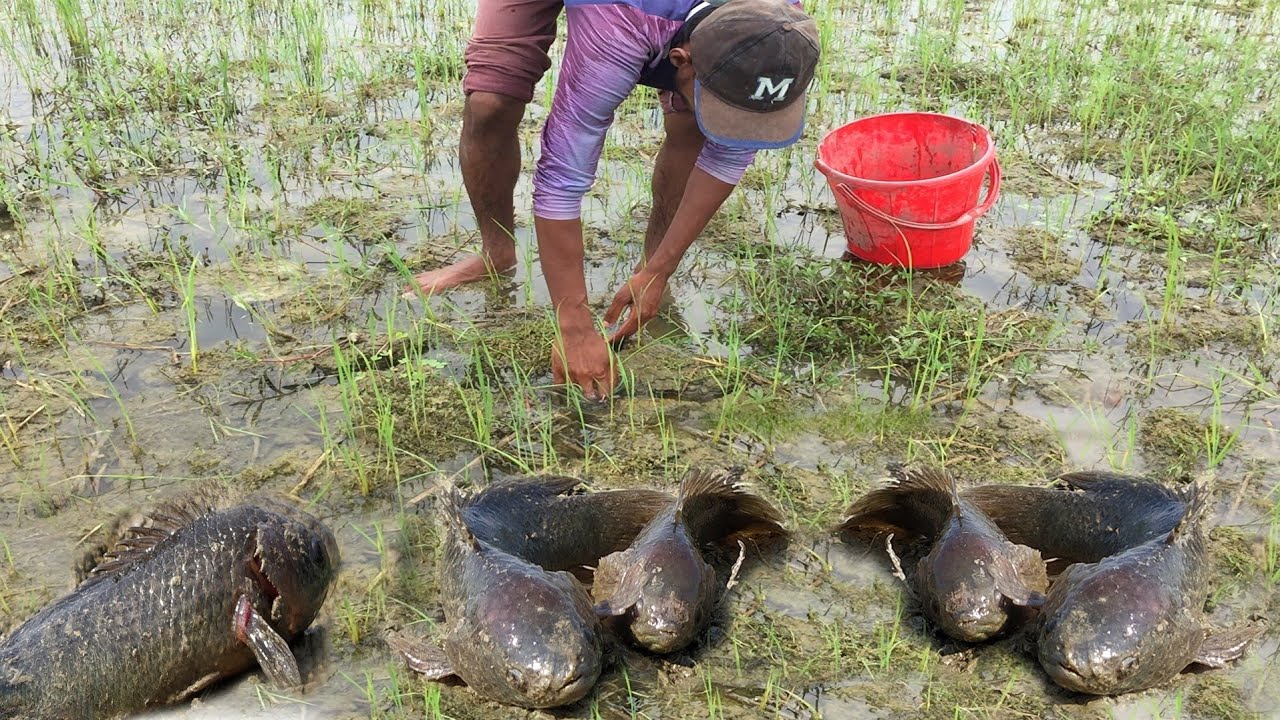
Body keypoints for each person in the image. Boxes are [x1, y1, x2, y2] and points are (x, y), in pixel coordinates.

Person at [408, 0, 821, 399]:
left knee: (695, 126)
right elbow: (562, 178)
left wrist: (659, 270)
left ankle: (647, 268)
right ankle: (496, 255)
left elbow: (730, 151)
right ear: (680, 59)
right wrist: (573, 327)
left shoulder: (780, 30)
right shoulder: (618, 22)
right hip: (634, 10)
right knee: (489, 101)